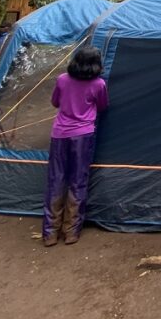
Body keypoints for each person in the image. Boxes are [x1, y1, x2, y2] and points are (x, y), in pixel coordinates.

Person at [42, 45, 108, 246]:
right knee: (78, 180)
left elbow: (55, 102)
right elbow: (103, 105)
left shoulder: (62, 80)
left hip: (60, 133)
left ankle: (50, 233)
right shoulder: (99, 84)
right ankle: (71, 230)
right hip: (83, 135)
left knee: (56, 179)